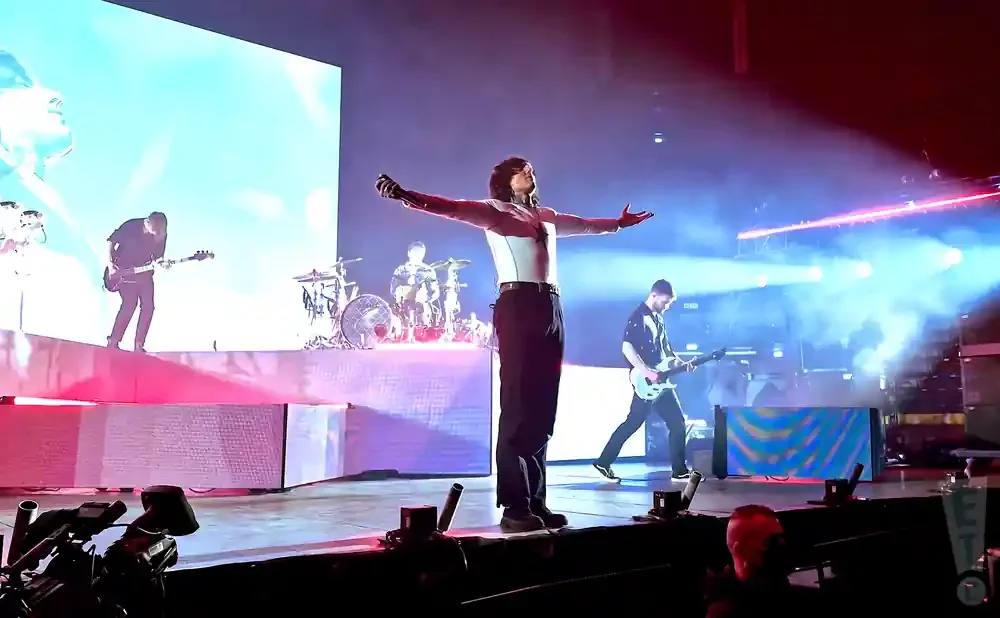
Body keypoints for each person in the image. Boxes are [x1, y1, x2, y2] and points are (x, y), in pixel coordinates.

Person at [375, 157, 652, 532]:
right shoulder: (495, 212)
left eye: (531, 168)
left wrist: (619, 224)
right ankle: (514, 506)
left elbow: (586, 224)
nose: (529, 172)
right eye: (521, 169)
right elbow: (451, 208)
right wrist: (406, 195)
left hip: (550, 306)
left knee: (543, 407)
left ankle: (536, 500)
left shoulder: (547, 216)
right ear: (506, 181)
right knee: (519, 404)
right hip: (518, 304)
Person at [594, 279, 693, 481]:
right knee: (633, 422)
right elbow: (627, 348)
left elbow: (666, 351)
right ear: (653, 295)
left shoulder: (659, 319)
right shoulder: (638, 317)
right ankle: (603, 462)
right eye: (664, 302)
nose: (666, 306)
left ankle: (679, 470)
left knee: (677, 423)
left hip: (661, 382)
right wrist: (647, 372)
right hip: (647, 382)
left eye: (669, 303)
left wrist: (682, 363)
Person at [704, 504, 797, 618]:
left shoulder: (778, 588)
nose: (781, 544)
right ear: (741, 549)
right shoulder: (727, 610)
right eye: (771, 540)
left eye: (781, 537)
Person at [106, 212, 168, 352]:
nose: (155, 235)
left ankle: (139, 345)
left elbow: (158, 257)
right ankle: (113, 340)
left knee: (148, 306)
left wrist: (161, 262)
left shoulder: (161, 233)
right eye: (154, 231)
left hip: (144, 274)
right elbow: (111, 240)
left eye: (159, 232)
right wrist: (110, 265)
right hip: (124, 271)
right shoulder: (132, 226)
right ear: (147, 223)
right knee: (129, 304)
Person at [390, 241, 438, 339]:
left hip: (423, 301)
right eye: (415, 251)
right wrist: (400, 294)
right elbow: (393, 289)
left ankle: (422, 325)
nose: (418, 254)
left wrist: (426, 298)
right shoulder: (400, 270)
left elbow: (435, 291)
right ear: (409, 253)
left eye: (420, 252)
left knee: (422, 291)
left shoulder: (429, 271)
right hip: (404, 302)